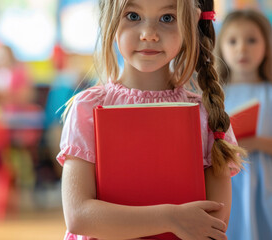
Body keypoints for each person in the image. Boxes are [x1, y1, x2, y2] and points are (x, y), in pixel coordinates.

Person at [57, 0, 246, 239]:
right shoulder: (88, 108)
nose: (149, 34)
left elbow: (213, 223)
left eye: (167, 18)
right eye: (133, 16)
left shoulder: (207, 114)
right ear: (109, 21)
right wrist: (171, 218)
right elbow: (79, 216)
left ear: (192, 21)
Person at [216, 9, 272, 240]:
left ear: (266, 44)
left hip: (266, 182)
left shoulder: (268, 93)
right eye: (232, 41)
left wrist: (255, 142)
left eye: (251, 40)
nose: (242, 48)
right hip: (227, 183)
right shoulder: (216, 95)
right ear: (221, 47)